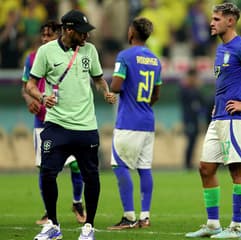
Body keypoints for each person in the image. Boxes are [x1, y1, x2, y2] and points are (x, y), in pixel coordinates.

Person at [25, 9, 116, 240]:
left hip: (86, 126)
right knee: (47, 173)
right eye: (81, 32)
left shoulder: (90, 50)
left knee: (92, 176)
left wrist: (105, 91)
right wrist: (43, 98)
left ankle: (89, 228)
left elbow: (97, 79)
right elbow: (30, 85)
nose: (85, 37)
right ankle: (53, 225)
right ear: (68, 30)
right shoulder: (45, 52)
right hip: (56, 125)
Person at [185, 2, 241, 238]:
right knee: (205, 168)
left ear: (230, 21)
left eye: (216, 19)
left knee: (236, 169)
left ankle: (236, 227)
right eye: (212, 19)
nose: (211, 22)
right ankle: (213, 224)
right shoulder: (221, 48)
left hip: (236, 118)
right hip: (219, 116)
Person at [21, 20, 86, 226]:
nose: (44, 39)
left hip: (67, 120)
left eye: (49, 36)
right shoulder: (33, 58)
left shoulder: (73, 55)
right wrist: (31, 100)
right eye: (43, 36)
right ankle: (49, 213)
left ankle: (77, 202)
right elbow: (26, 86)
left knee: (76, 165)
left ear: (59, 35)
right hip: (42, 120)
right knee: (45, 168)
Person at [107, 17, 162, 230]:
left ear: (131, 33)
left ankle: (129, 217)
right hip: (148, 120)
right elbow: (156, 94)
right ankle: (144, 217)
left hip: (129, 121)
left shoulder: (125, 56)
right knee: (144, 168)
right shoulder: (155, 60)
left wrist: (111, 87)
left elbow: (117, 85)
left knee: (119, 166)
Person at [179, 67, 205, 170]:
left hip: (195, 120)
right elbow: (187, 99)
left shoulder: (195, 89)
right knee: (190, 141)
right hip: (188, 120)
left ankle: (190, 163)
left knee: (194, 142)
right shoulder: (184, 89)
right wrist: (195, 88)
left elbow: (202, 102)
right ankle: (187, 164)